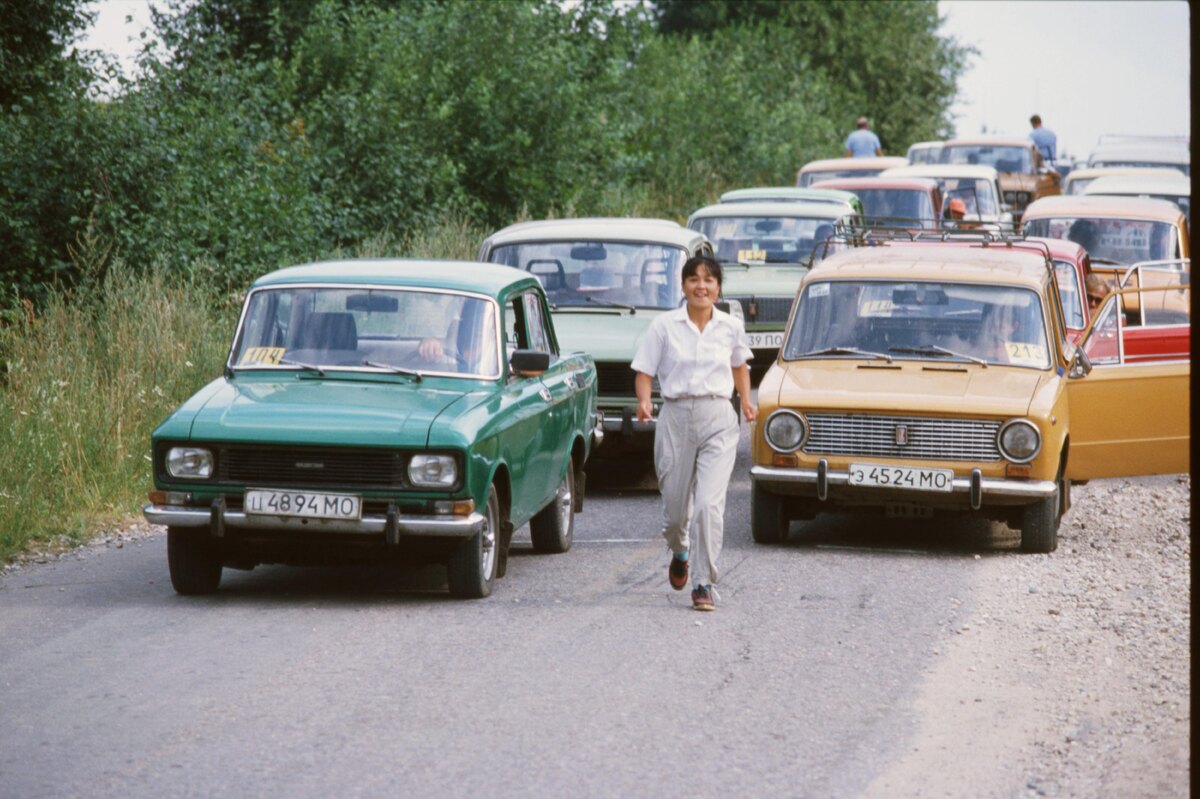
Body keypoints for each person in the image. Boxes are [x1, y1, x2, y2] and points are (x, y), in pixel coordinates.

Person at [631, 255, 755, 612]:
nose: (701, 286)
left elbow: (739, 366)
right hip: (676, 416)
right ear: (683, 286)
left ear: (718, 289)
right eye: (694, 279)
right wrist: (644, 402)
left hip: (718, 415)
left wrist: (746, 401)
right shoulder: (664, 326)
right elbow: (644, 371)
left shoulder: (730, 326)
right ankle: (680, 551)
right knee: (674, 512)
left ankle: (703, 581)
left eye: (709, 280)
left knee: (708, 506)